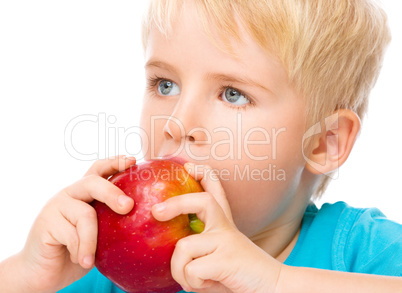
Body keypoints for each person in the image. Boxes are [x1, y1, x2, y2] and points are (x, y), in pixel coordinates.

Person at [1, 0, 401, 292]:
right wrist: (27, 276)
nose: (177, 123)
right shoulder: (115, 272)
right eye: (165, 85)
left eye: (232, 94)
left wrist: (273, 281)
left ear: (324, 142)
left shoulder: (363, 254)